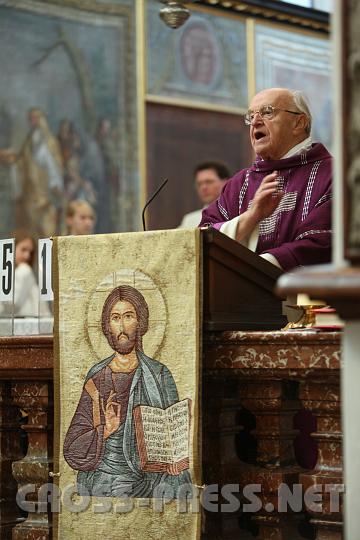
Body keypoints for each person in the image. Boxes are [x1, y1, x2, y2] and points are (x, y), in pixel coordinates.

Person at [63, 285, 191, 498]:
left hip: (148, 478)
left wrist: (173, 459)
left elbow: (174, 436)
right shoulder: (96, 376)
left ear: (140, 322)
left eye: (128, 316)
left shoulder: (159, 374)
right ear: (107, 325)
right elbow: (73, 448)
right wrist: (105, 431)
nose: (121, 326)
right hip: (102, 475)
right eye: (115, 318)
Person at [200, 88, 332, 271]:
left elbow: (324, 241)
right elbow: (202, 238)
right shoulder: (239, 183)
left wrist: (258, 269)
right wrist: (251, 217)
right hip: (236, 296)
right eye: (250, 116)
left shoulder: (333, 175)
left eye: (267, 112)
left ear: (299, 123)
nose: (255, 122)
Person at [16, 108, 64, 237]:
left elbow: (54, 166)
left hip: (45, 192)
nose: (33, 121)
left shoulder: (49, 142)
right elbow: (22, 162)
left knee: (47, 228)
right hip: (31, 192)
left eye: (35, 118)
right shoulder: (29, 141)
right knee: (32, 230)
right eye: (31, 119)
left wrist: (55, 185)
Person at [0, 230, 50, 318]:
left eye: (31, 252)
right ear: (12, 248)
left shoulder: (24, 270)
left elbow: (13, 304)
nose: (27, 256)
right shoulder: (18, 272)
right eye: (23, 250)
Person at [178, 161, 230, 228]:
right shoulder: (189, 220)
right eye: (199, 184)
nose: (203, 187)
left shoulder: (239, 215)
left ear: (226, 183)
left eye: (209, 182)